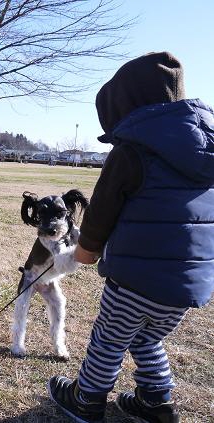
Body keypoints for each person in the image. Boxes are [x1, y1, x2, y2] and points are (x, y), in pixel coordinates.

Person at [46, 52, 214, 423]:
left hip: (136, 281)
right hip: (187, 285)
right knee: (147, 337)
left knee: (109, 338)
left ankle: (86, 399)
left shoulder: (132, 152)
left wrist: (85, 251)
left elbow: (101, 213)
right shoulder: (205, 150)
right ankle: (157, 401)